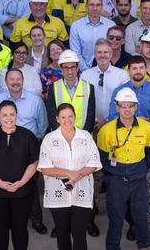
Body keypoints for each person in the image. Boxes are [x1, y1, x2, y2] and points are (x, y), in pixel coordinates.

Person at [0, 100, 40, 250]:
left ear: (17, 115)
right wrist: (1, 183)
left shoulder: (27, 136)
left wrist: (22, 181)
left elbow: (34, 162)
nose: (8, 118)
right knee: (0, 230)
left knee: (20, 229)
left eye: (12, 114)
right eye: (4, 115)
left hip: (23, 191)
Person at [38, 103, 102, 250]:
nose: (67, 120)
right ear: (57, 119)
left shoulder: (85, 136)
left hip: (82, 192)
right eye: (63, 117)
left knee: (79, 234)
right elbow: (44, 168)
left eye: (70, 116)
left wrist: (76, 176)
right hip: (58, 195)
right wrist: (69, 173)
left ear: (75, 117)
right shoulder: (49, 139)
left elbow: (94, 162)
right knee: (62, 233)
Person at [97, 87, 150, 250]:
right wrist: (114, 175)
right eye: (123, 105)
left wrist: (140, 170)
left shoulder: (145, 127)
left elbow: (149, 153)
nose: (127, 109)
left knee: (141, 216)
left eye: (130, 105)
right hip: (116, 181)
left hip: (139, 180)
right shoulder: (106, 131)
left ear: (136, 106)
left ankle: (144, 246)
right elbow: (102, 159)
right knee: (115, 218)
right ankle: (113, 246)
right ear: (117, 107)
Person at [45, 49, 96, 133]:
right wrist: (63, 135)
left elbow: (90, 117)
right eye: (66, 68)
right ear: (61, 69)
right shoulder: (53, 88)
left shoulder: (89, 87)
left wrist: (81, 135)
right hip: (61, 137)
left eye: (73, 67)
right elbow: (52, 117)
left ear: (77, 68)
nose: (70, 72)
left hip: (83, 138)